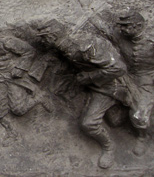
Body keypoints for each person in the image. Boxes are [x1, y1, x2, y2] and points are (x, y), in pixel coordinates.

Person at [37, 19, 127, 169]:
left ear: (52, 37)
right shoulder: (64, 44)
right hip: (85, 80)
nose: (43, 42)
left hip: (107, 86)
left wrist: (89, 77)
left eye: (44, 38)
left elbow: (118, 69)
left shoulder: (87, 46)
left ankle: (108, 146)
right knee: (56, 92)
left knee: (89, 123)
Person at [92, 10, 154, 156]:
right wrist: (91, 14)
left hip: (145, 79)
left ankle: (142, 136)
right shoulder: (121, 35)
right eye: (122, 26)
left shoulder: (151, 41)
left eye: (126, 26)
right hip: (123, 75)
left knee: (140, 114)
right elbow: (105, 29)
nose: (122, 29)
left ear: (138, 26)